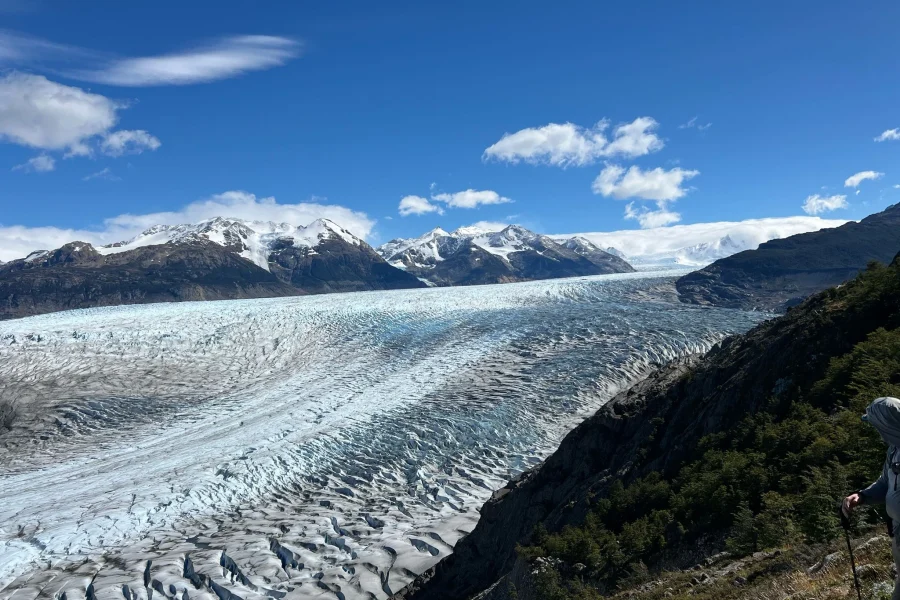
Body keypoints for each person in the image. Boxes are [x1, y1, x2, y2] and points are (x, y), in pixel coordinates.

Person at [843, 396, 900, 600]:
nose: (876, 431)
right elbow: (885, 482)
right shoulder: (894, 451)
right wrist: (862, 496)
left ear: (887, 424)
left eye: (876, 425)